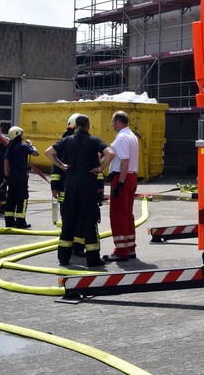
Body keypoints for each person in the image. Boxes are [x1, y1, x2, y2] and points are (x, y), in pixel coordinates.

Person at [45, 115, 115, 267]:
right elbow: (111, 153)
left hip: (70, 187)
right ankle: (92, 259)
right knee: (89, 222)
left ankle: (63, 258)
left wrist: (62, 165)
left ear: (76, 125)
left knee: (68, 222)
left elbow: (48, 152)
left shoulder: (67, 140)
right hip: (88, 187)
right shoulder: (94, 141)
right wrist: (100, 168)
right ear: (88, 126)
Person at [104, 111, 140, 262]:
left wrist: (120, 183)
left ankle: (120, 251)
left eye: (113, 121)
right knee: (127, 214)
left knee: (118, 215)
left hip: (122, 178)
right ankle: (130, 247)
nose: (112, 124)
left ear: (119, 122)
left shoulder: (122, 137)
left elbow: (124, 161)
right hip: (130, 178)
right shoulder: (131, 136)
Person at [3, 126, 37, 229]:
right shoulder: (22, 147)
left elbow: (6, 164)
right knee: (22, 198)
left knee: (11, 199)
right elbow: (36, 153)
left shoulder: (9, 148)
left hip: (12, 177)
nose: (23, 135)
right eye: (21, 133)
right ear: (17, 135)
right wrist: (31, 145)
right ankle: (21, 222)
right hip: (21, 177)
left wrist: (7, 176)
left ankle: (9, 221)